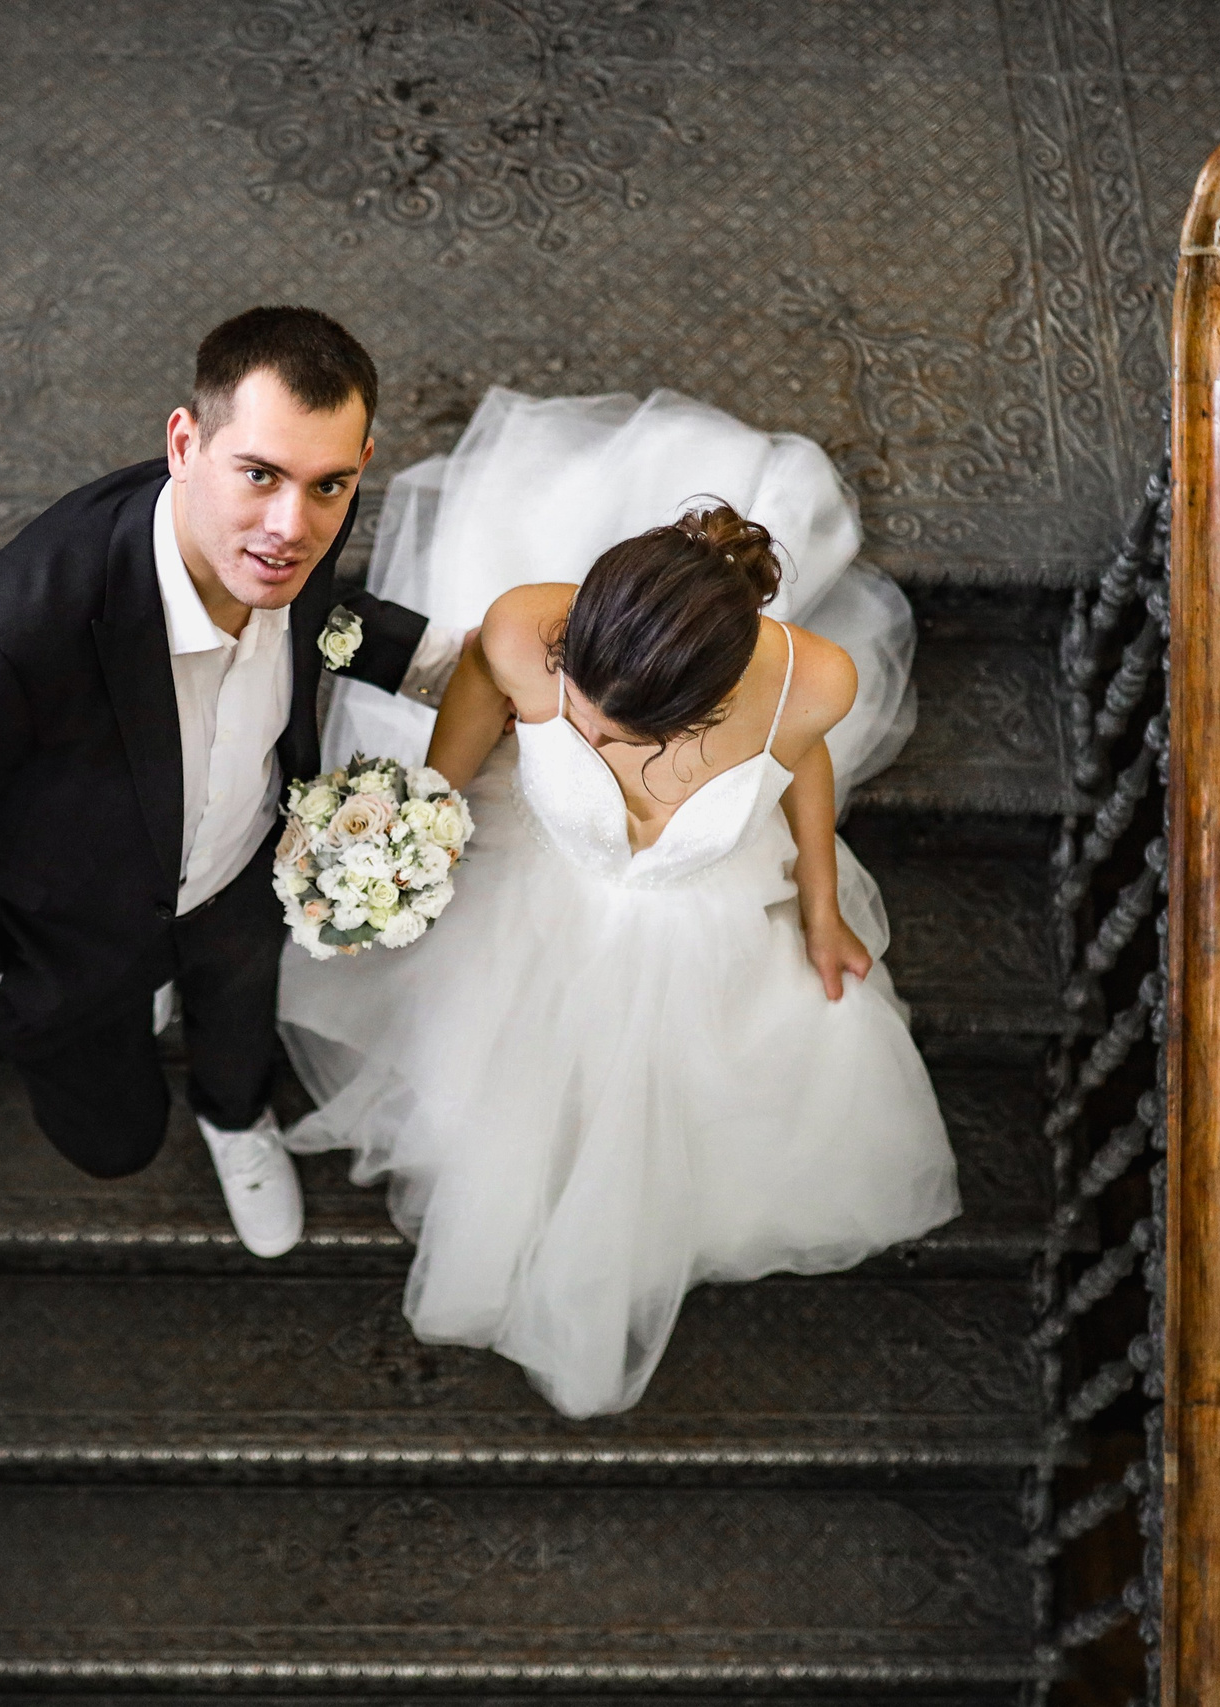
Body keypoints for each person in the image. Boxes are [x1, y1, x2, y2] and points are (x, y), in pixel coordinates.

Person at [278, 388, 962, 1418]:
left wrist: (822, 908)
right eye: (576, 707)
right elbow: (446, 780)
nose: (581, 734)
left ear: (705, 704)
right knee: (503, 1102)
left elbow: (802, 768)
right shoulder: (525, 632)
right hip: (534, 896)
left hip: (697, 926)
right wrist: (404, 855)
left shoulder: (812, 680)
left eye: (616, 732)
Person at [0, 308, 459, 1259]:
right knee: (116, 1142)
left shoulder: (296, 525)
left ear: (358, 466)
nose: (290, 529)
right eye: (258, 474)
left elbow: (325, 611)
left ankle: (235, 1117)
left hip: (241, 878)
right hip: (74, 933)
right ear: (185, 443)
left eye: (329, 484)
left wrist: (448, 666)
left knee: (239, 1014)